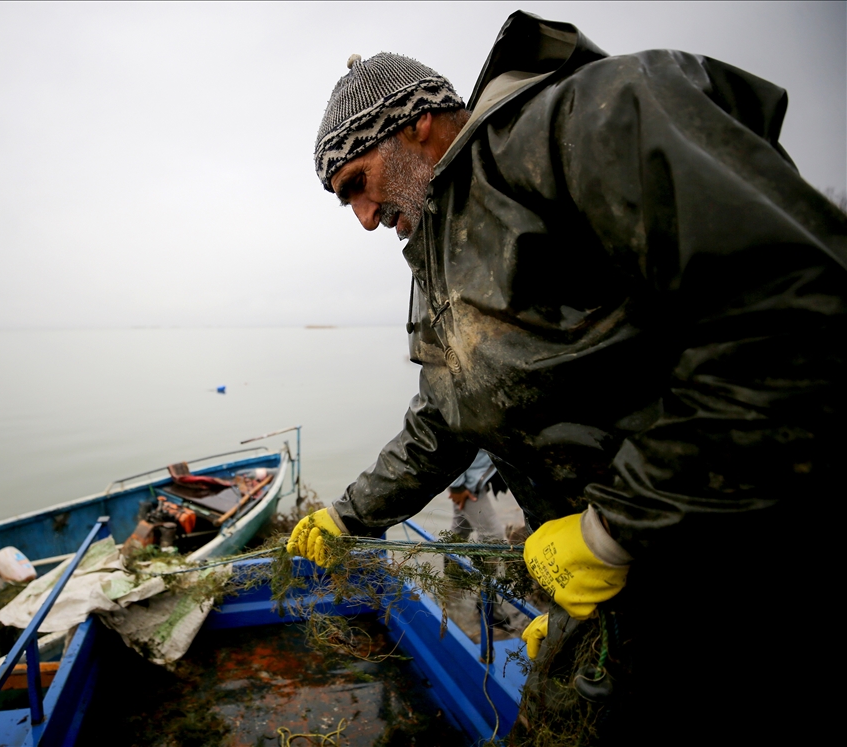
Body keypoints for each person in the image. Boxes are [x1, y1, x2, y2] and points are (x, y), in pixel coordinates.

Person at [287, 10, 844, 745]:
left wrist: (613, 529)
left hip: (735, 566)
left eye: (358, 183)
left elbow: (793, 314)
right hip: (616, 593)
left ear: (417, 123)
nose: (362, 217)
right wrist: (350, 514)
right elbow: (444, 419)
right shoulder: (440, 261)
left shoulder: (581, 121)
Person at [447, 450, 504, 541]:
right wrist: (456, 486)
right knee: (493, 537)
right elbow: (449, 446)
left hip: (478, 476)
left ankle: (450, 554)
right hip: (467, 484)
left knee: (460, 530)